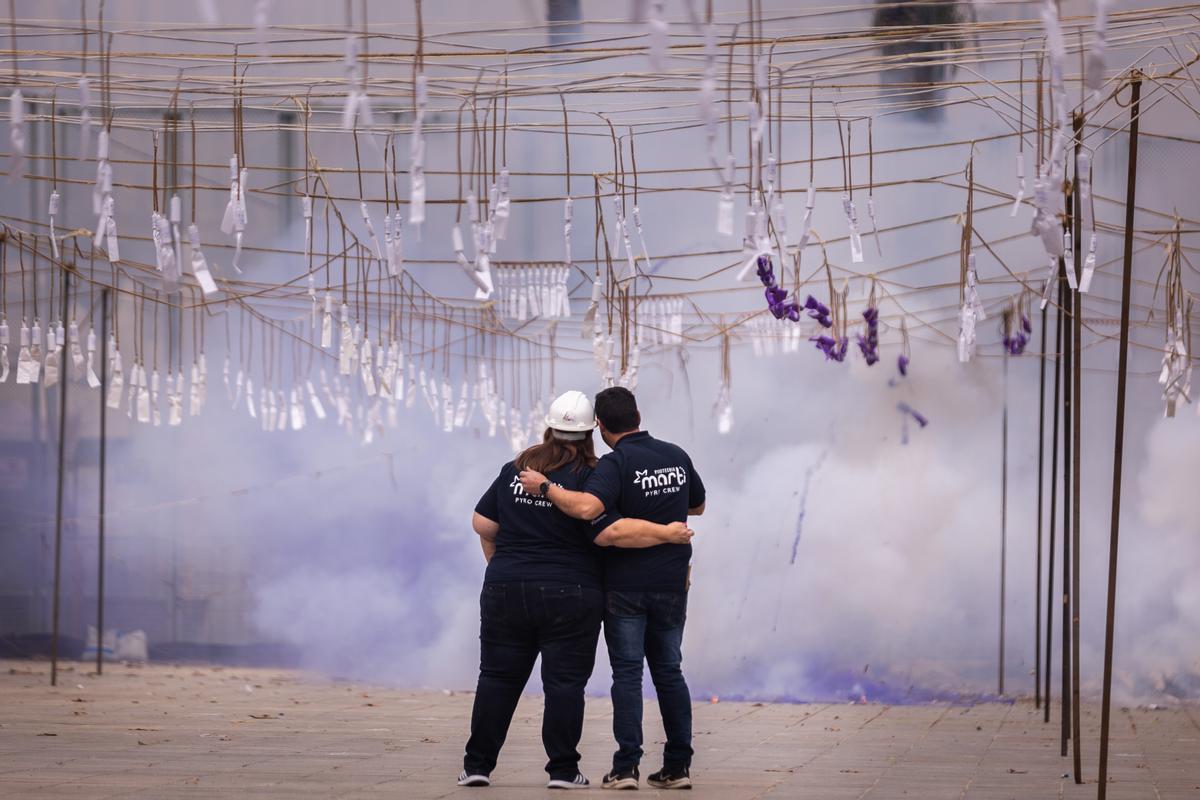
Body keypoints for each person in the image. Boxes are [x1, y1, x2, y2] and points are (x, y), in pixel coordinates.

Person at [460, 390, 695, 791]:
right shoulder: (593, 476)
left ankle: (477, 765)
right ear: (592, 432)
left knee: (497, 677)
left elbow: (483, 524)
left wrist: (505, 567)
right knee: (564, 684)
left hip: (505, 588)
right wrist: (669, 534)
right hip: (572, 592)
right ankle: (563, 771)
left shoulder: (517, 468)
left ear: (549, 427)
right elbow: (609, 533)